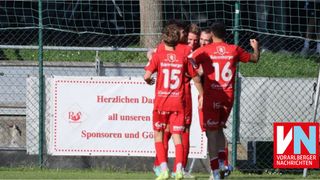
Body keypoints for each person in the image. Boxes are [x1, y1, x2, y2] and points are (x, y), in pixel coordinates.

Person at [190, 22, 260, 179]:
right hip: (227, 97)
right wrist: (255, 47)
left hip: (211, 95)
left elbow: (189, 63)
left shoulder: (204, 50)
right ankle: (223, 164)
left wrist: (198, 72)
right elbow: (254, 59)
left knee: (211, 134)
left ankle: (215, 171)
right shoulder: (234, 49)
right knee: (220, 129)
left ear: (212, 35)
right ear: (226, 35)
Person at [144, 23, 204, 180]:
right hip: (179, 100)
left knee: (164, 134)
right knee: (176, 135)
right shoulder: (184, 54)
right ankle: (175, 168)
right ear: (178, 36)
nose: (191, 42)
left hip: (165, 100)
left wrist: (150, 59)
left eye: (194, 40)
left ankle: (165, 167)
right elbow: (196, 76)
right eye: (187, 37)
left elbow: (148, 70)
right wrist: (202, 93)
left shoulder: (163, 53)